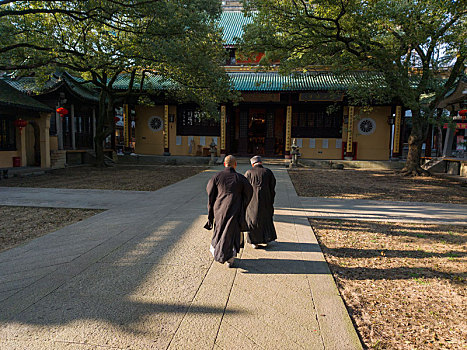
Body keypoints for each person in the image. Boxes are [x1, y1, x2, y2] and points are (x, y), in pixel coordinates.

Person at [206, 155, 253, 267]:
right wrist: (243, 204)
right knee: (232, 232)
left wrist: (212, 208)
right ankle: (230, 257)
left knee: (220, 230)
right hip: (235, 208)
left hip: (219, 209)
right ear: (235, 165)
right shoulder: (240, 178)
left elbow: (210, 193)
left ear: (224, 164)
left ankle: (218, 251)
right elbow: (249, 193)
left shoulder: (216, 177)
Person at [244, 155, 277, 249]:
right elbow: (272, 186)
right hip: (266, 200)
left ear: (252, 164)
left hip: (252, 201)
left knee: (253, 220)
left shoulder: (249, 173)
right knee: (266, 219)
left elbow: (244, 187)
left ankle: (254, 241)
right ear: (261, 163)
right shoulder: (268, 172)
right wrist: (270, 198)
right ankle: (267, 238)